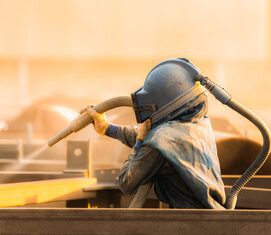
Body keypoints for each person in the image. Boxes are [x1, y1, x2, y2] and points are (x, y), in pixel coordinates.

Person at [82, 58, 225, 209]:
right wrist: (107, 128)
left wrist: (138, 143)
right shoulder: (199, 123)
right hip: (210, 217)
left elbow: (127, 183)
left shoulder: (161, 140)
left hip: (186, 223)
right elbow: (153, 137)